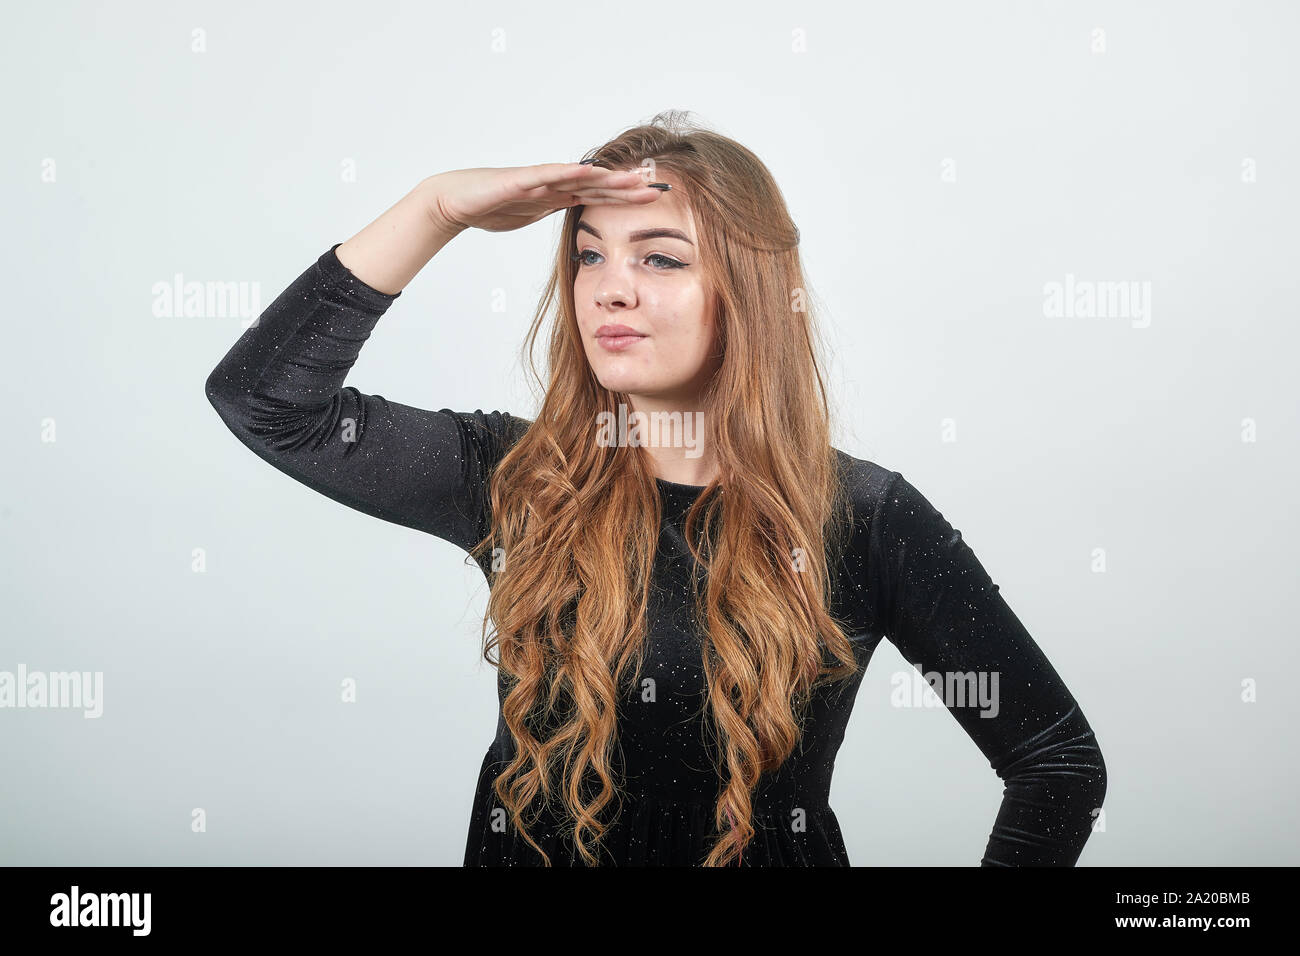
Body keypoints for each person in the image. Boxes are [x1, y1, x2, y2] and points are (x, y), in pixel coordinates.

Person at [204, 111, 1106, 867]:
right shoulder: (517, 478)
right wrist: (437, 206)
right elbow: (265, 400)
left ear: (746, 292)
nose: (609, 290)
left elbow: (1055, 761)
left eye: (661, 259)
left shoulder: (863, 518)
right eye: (590, 256)